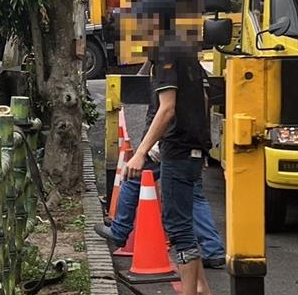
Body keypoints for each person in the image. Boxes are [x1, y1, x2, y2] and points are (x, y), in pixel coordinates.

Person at [121, 0, 214, 295]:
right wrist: (202, 144)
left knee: (177, 226)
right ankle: (201, 292)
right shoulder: (183, 48)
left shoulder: (165, 52)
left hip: (177, 149)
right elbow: (203, 98)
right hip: (191, 148)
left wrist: (141, 153)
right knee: (184, 220)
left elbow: (167, 109)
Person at [96, 90, 225, 272]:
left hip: (169, 144)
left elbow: (165, 111)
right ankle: (213, 250)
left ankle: (120, 230)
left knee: (133, 177)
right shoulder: (192, 72)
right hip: (190, 145)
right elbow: (202, 102)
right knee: (195, 195)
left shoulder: (167, 69)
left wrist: (145, 149)